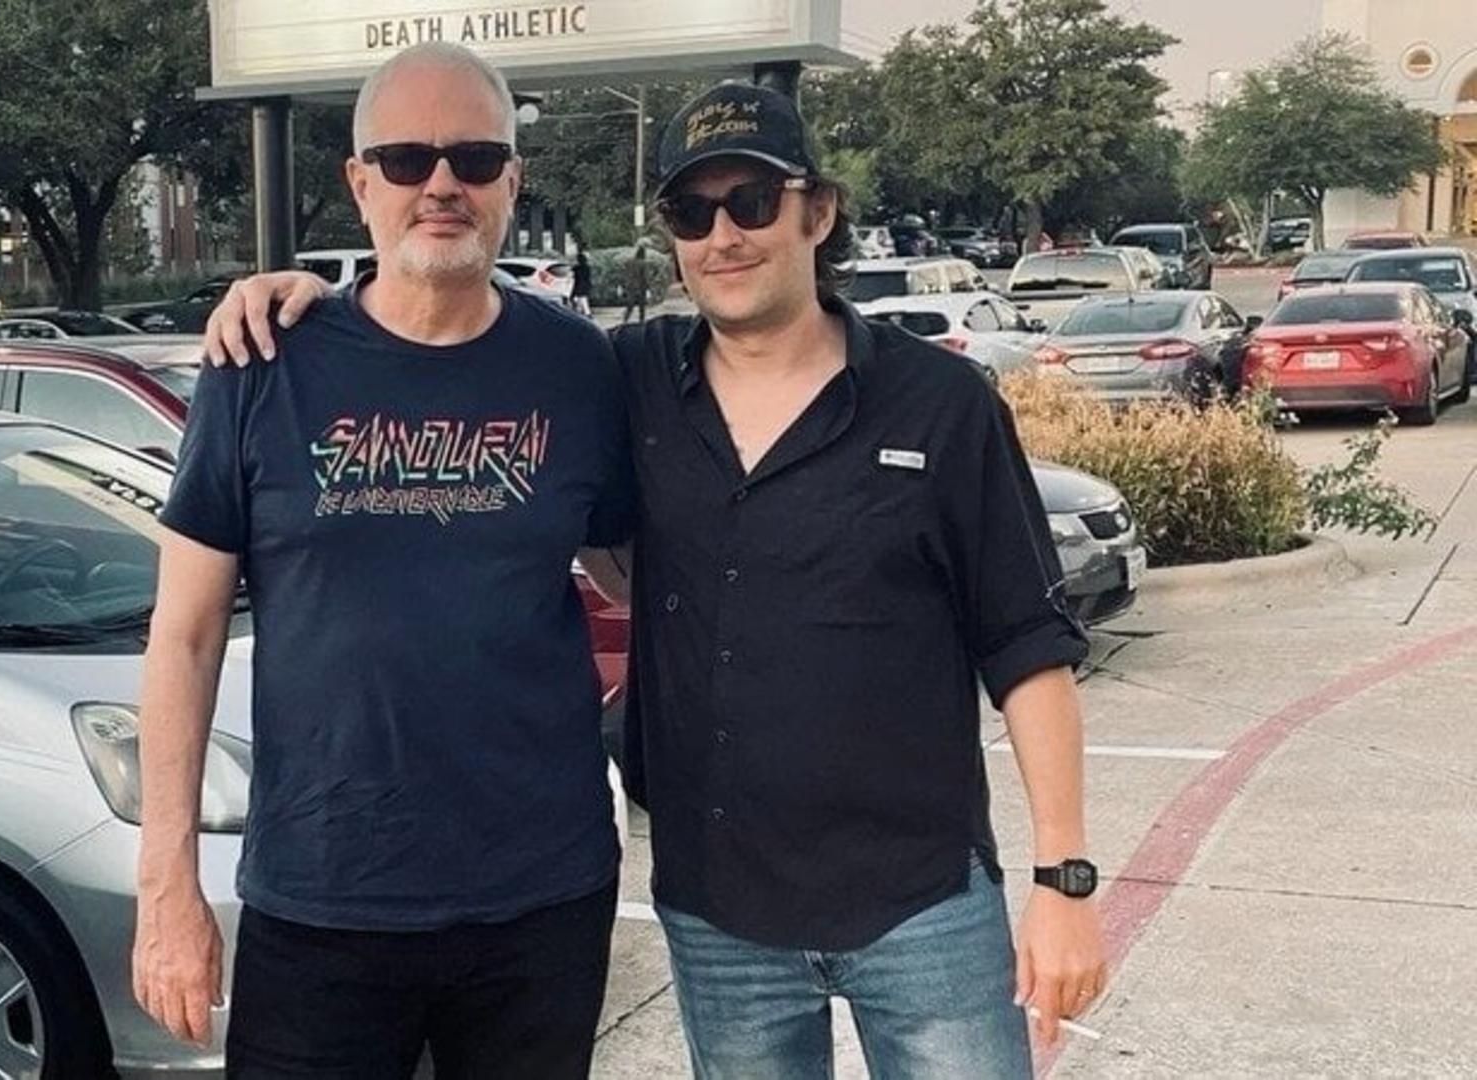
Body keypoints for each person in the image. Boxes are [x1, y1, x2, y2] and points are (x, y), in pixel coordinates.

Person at [202, 80, 1109, 1079]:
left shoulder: (940, 403)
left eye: (752, 203)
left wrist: (1062, 880)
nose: (724, 236)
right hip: (723, 917)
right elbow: (455, 344)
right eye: (691, 211)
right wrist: (295, 293)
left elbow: (1026, 647)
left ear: (818, 212)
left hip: (921, 902)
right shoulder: (627, 378)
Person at [131, 41, 635, 1080]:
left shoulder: (578, 367)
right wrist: (166, 889)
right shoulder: (260, 363)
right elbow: (183, 639)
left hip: (539, 900)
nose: (442, 184)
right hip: (323, 898)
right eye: (407, 160)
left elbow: (643, 572)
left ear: (512, 183)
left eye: (474, 159)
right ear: (361, 184)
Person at [621, 243, 650, 323]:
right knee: (642, 306)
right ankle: (641, 321)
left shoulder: (629, 262)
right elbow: (645, 276)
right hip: (640, 287)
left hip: (630, 286)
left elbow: (624, 274)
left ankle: (625, 319)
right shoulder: (643, 263)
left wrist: (623, 284)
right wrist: (648, 287)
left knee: (630, 305)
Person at [572, 246, 593, 316]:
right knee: (582, 300)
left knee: (581, 300)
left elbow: (575, 278)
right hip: (584, 286)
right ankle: (584, 313)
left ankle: (585, 313)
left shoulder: (576, 268)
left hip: (579, 286)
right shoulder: (587, 268)